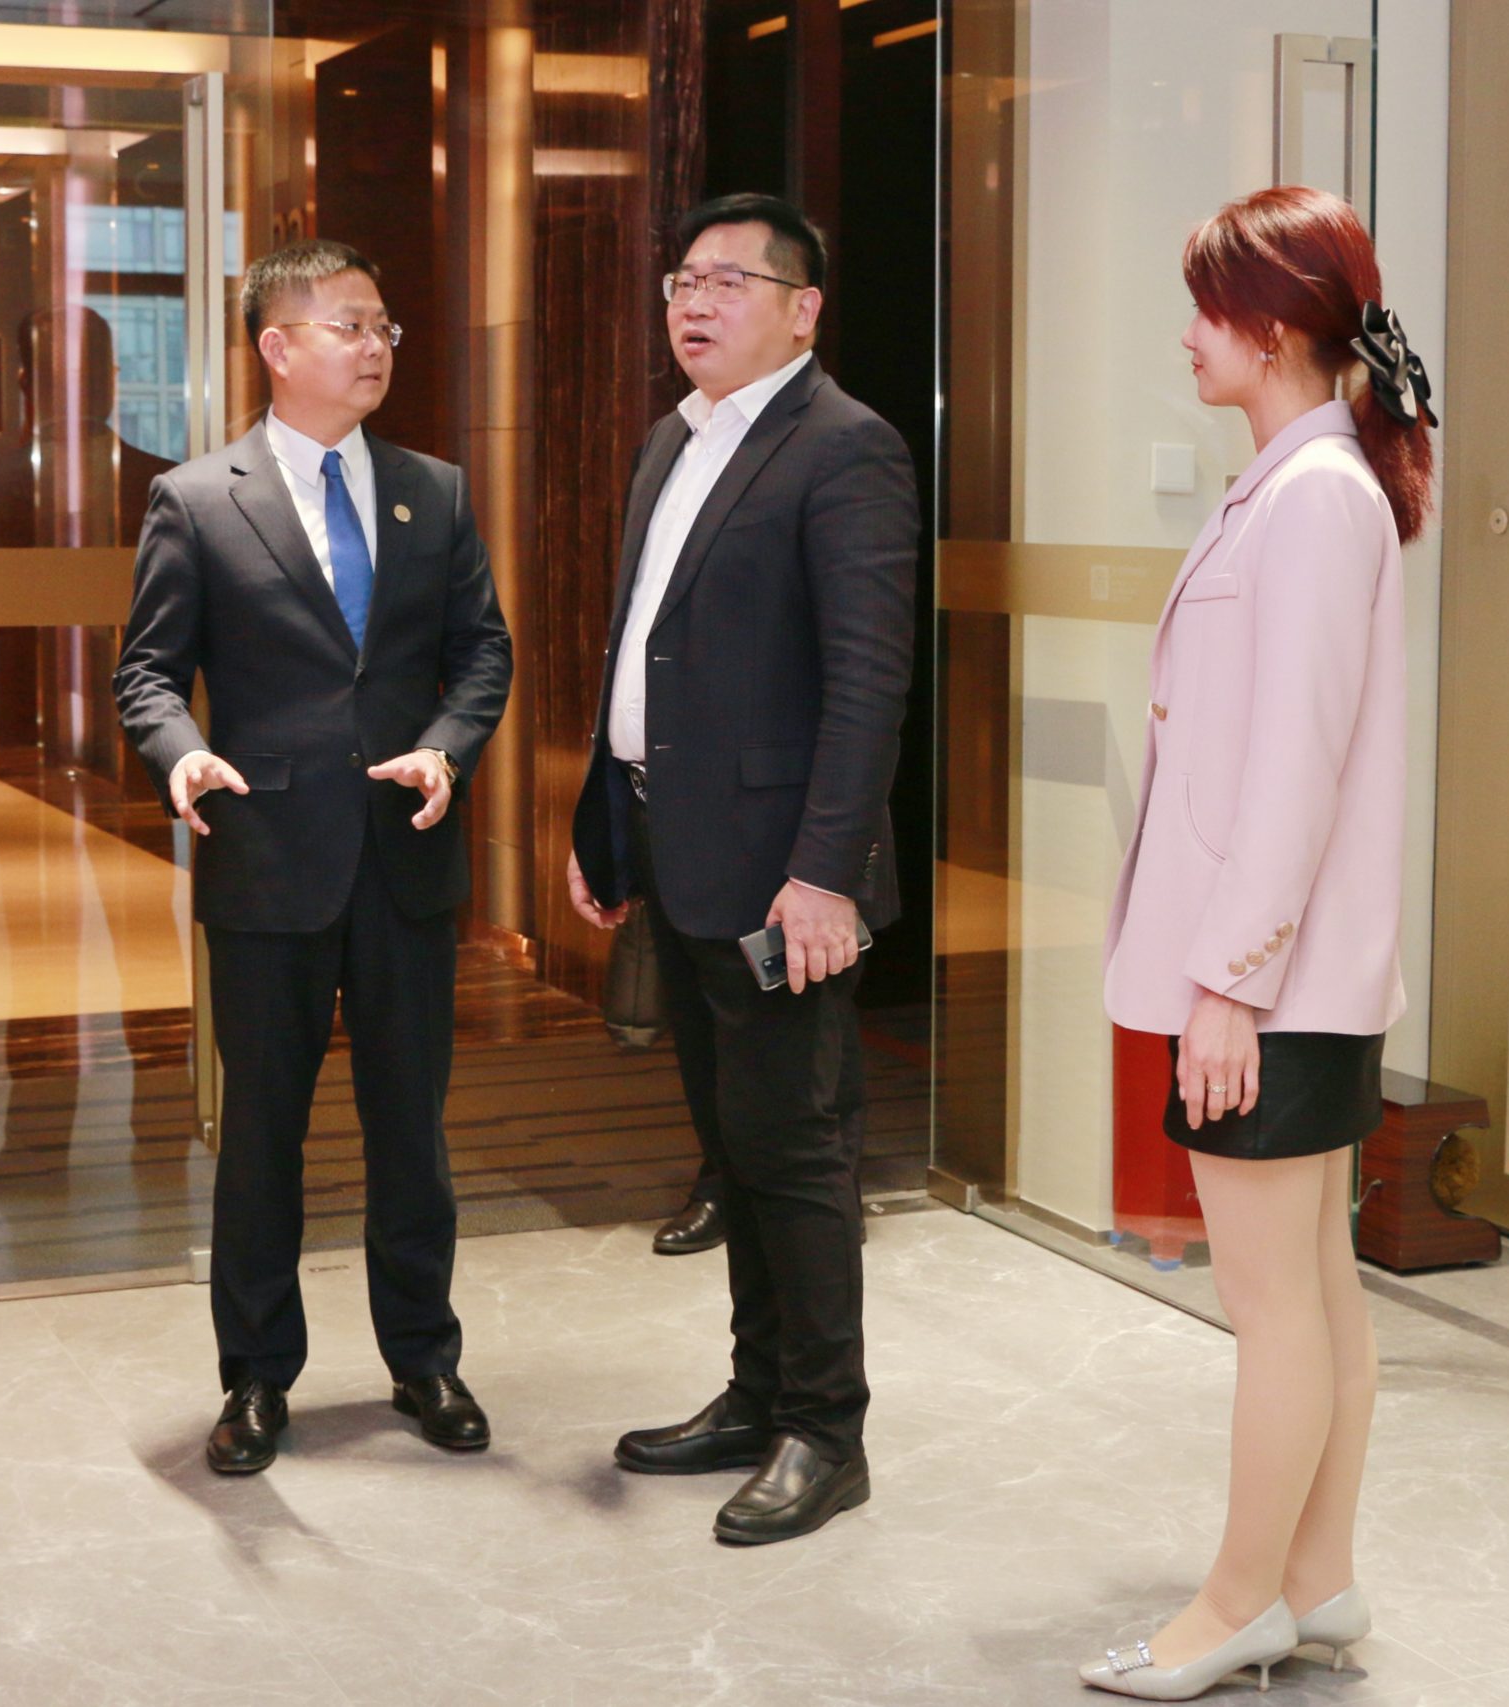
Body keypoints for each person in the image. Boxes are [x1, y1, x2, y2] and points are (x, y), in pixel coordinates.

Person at [1080, 185, 1435, 1698]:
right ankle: (1316, 1575)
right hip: (1296, 974)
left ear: (1276, 326)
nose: (1188, 335)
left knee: (1274, 1302)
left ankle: (1234, 1603)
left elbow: (1295, 764)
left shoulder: (1315, 498)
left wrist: (1228, 984)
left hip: (1269, 982)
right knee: (1318, 1287)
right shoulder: (1302, 485)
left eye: (1207, 306)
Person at [114, 240, 513, 1473]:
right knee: (263, 1138)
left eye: (384, 323)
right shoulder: (196, 499)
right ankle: (253, 1378)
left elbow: (482, 653)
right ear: (276, 347)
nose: (376, 343)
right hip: (268, 860)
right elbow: (146, 672)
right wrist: (181, 752)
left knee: (412, 1133)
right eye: (350, 324)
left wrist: (446, 750)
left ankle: (425, 1359)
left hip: (404, 857)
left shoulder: (434, 491)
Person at [567, 192, 917, 1545]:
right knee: (732, 1144)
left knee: (795, 1149)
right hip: (678, 848)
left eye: (726, 281)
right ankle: (757, 1391)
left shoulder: (845, 446)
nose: (693, 303)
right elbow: (642, 649)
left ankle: (826, 1429)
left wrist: (824, 873)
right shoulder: (676, 438)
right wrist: (607, 822)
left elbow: (867, 682)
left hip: (783, 878)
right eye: (681, 282)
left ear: (802, 308)